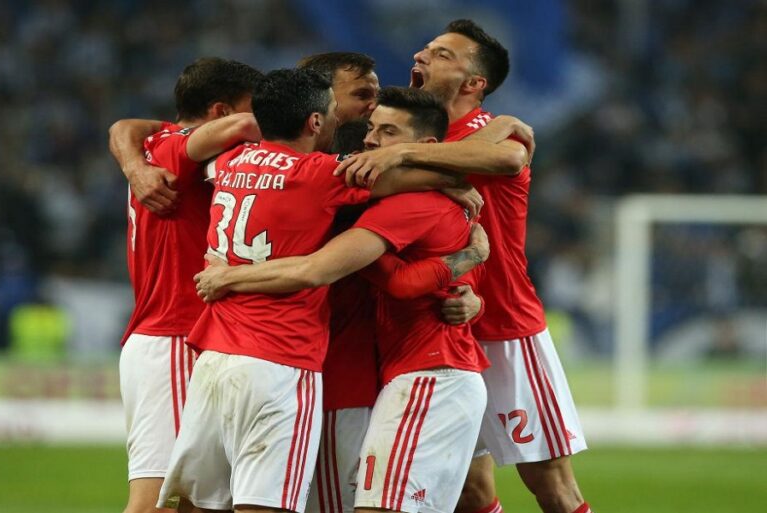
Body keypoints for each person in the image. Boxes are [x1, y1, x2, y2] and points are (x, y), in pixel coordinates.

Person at [157, 70, 464, 513]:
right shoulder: (320, 174)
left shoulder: (230, 162)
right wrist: (457, 183)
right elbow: (426, 178)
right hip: (279, 361)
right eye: (334, 112)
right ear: (315, 122)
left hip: (214, 359)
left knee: (197, 503)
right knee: (265, 503)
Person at [335, 19, 593, 513]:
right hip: (434, 328)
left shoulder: (485, 137)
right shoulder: (397, 132)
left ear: (474, 83)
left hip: (503, 326)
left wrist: (404, 153)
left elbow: (510, 160)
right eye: (427, 48)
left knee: (553, 487)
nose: (422, 56)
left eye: (443, 54)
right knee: (469, 493)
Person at [111, 58, 264, 513]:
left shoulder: (157, 142)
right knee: (156, 503)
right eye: (253, 108)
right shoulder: (178, 149)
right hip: (173, 338)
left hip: (189, 337)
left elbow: (123, 126)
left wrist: (131, 162)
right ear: (220, 112)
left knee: (199, 504)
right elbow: (250, 125)